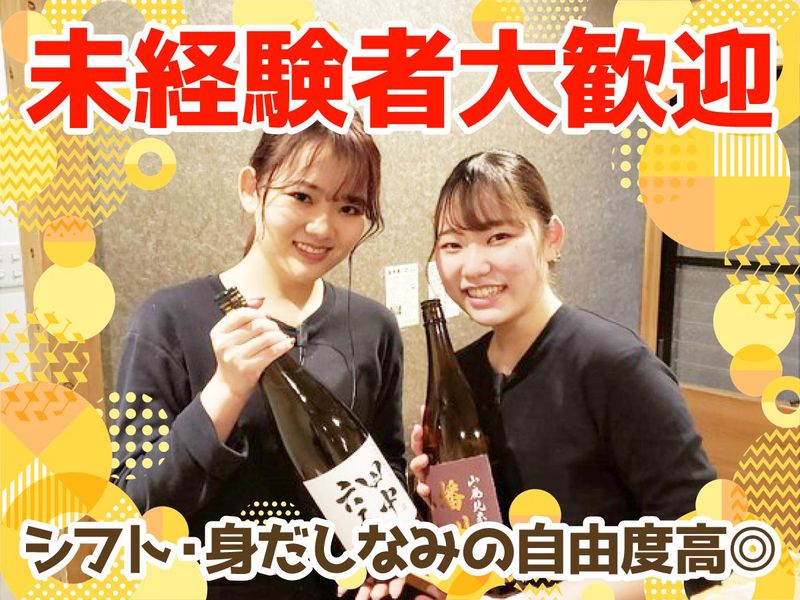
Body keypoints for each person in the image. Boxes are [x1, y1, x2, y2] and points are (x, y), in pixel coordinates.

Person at [112, 115, 408, 599]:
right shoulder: (167, 320)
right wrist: (225, 392)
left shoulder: (374, 327)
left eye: (350, 207)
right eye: (302, 196)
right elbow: (131, 507)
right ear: (252, 189)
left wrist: (394, 544)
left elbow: (387, 468)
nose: (323, 227)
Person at [409, 150, 718, 599]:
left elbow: (703, 549)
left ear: (551, 238)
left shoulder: (615, 365)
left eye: (499, 237)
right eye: (453, 245)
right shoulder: (461, 374)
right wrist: (435, 502)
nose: (473, 267)